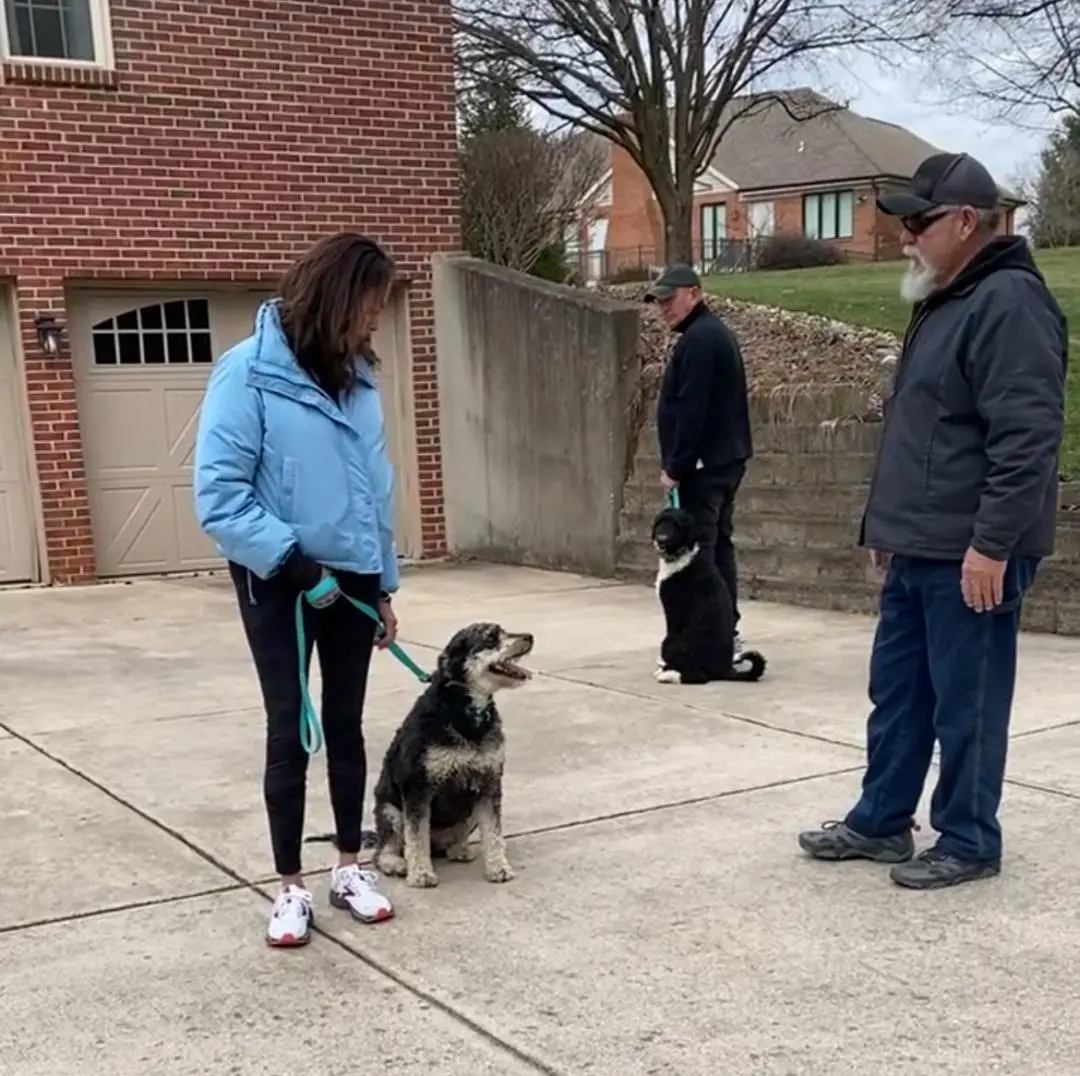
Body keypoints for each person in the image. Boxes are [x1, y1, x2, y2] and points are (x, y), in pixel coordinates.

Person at [798, 152, 1068, 890]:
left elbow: (1027, 439)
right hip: (921, 544)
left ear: (965, 221)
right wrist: (886, 533)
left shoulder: (1008, 303)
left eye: (918, 221)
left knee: (968, 702)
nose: (905, 236)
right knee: (899, 694)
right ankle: (882, 821)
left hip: (971, 550)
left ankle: (970, 839)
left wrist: (992, 545)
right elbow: (922, 438)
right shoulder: (945, 300)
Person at [193, 232, 402, 945]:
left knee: (347, 725)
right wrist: (295, 564)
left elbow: (375, 491)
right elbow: (219, 497)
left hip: (354, 580)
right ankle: (289, 886)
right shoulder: (246, 373)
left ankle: (348, 866)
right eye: (368, 307)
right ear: (335, 298)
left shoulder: (360, 376)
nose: (373, 321)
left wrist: (385, 586)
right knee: (291, 731)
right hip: (279, 580)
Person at [646, 263, 754, 655]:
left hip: (704, 467)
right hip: (723, 461)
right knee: (717, 546)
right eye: (659, 302)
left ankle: (711, 638)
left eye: (670, 299)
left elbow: (693, 410)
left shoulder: (701, 340)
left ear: (694, 293)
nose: (664, 308)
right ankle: (724, 631)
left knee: (700, 554)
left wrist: (676, 466)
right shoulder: (708, 335)